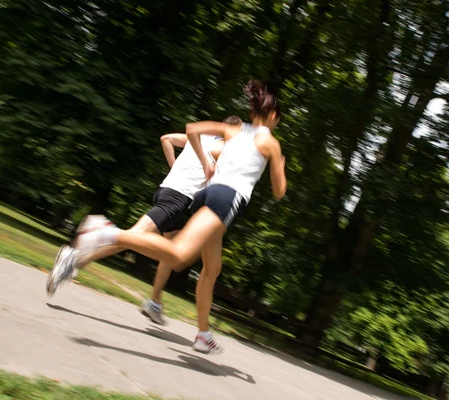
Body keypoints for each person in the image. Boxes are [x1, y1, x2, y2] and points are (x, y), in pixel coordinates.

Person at [68, 80, 286, 354]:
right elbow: (279, 191)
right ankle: (105, 232)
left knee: (212, 268)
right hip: (227, 199)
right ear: (274, 115)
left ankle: (203, 334)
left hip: (205, 196)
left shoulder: (234, 129)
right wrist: (279, 164)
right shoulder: (270, 142)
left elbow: (192, 129)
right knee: (179, 256)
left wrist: (207, 161)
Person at [47, 117, 242, 326]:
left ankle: (155, 302)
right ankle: (74, 258)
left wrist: (174, 166)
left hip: (167, 190)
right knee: (133, 237)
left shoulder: (200, 139)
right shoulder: (222, 149)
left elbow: (166, 139)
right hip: (178, 198)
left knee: (171, 250)